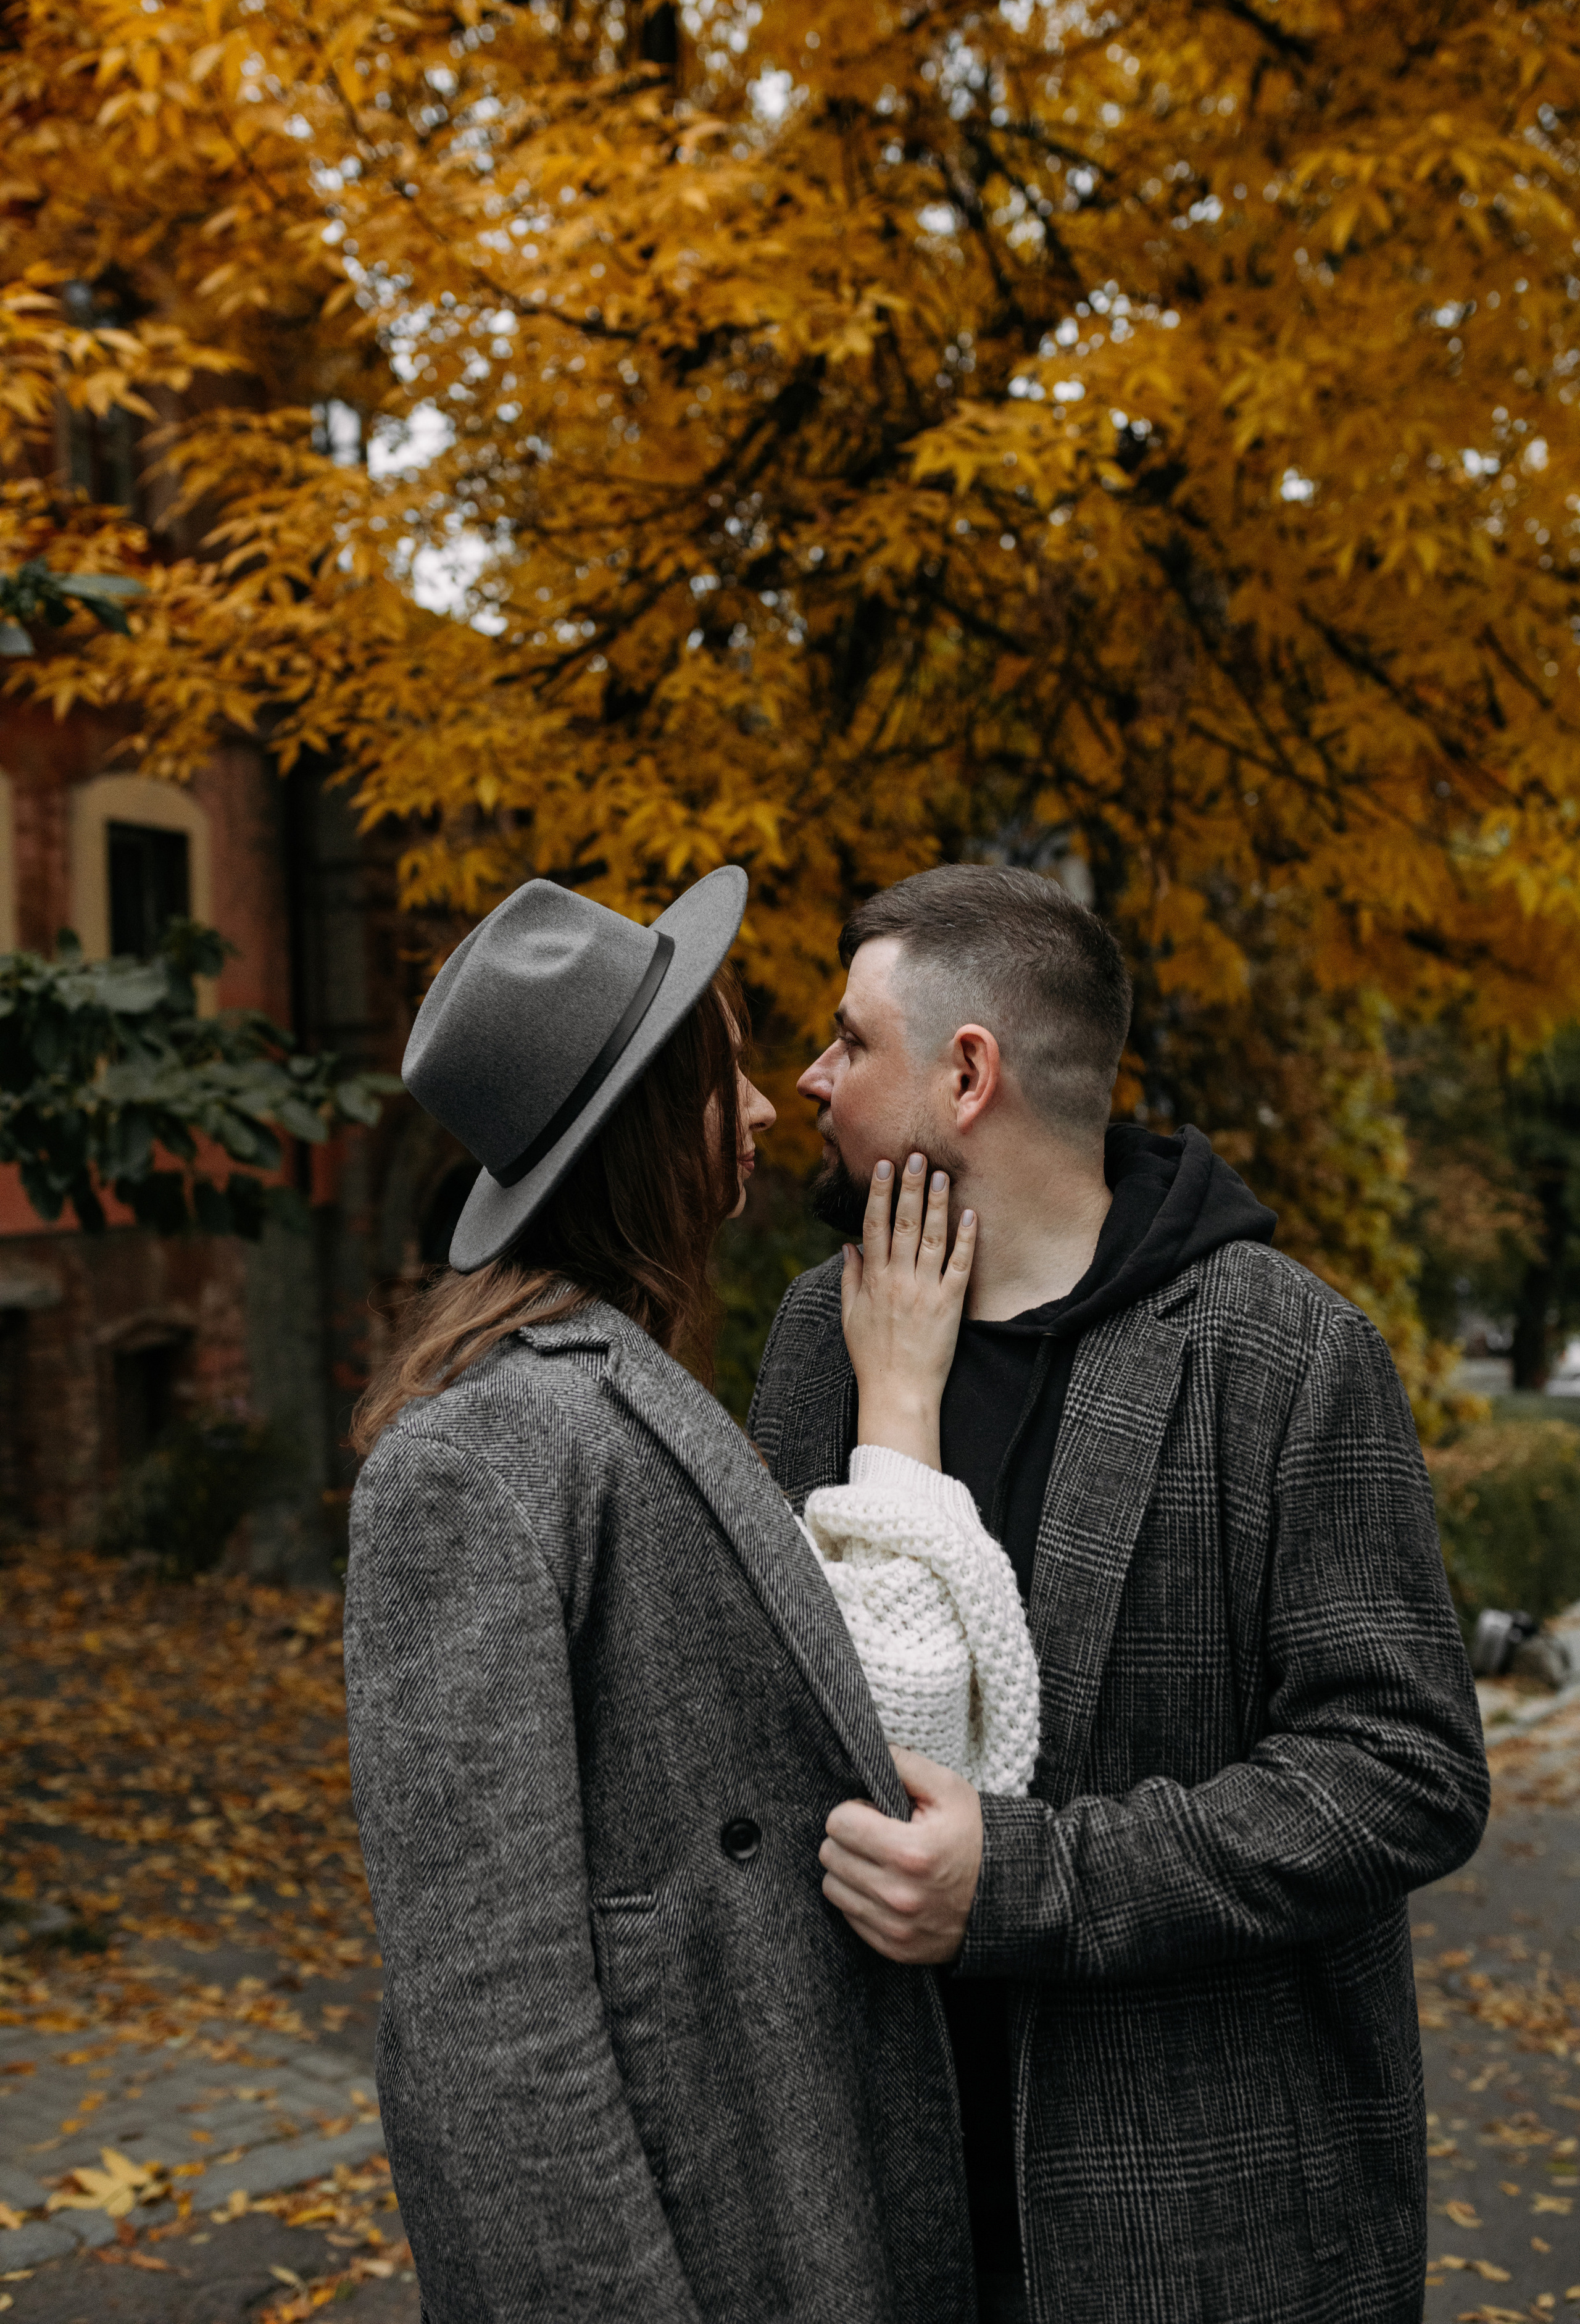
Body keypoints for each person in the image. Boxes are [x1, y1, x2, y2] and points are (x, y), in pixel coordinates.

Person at [748, 862, 1491, 2324]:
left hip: (1198, 2236)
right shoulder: (819, 1337)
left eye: (849, 1040)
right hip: (878, 2215)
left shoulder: (1275, 1352)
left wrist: (1022, 1884)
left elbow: (1404, 1767)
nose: (810, 1075)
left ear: (967, 1075)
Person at [343, 865, 1028, 2323]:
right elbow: (489, 2010)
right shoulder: (477, 1456)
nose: (772, 1104)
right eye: (724, 1072)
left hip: (767, 2175)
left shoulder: (621, 1390)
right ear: (649, 1122)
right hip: (686, 2228)